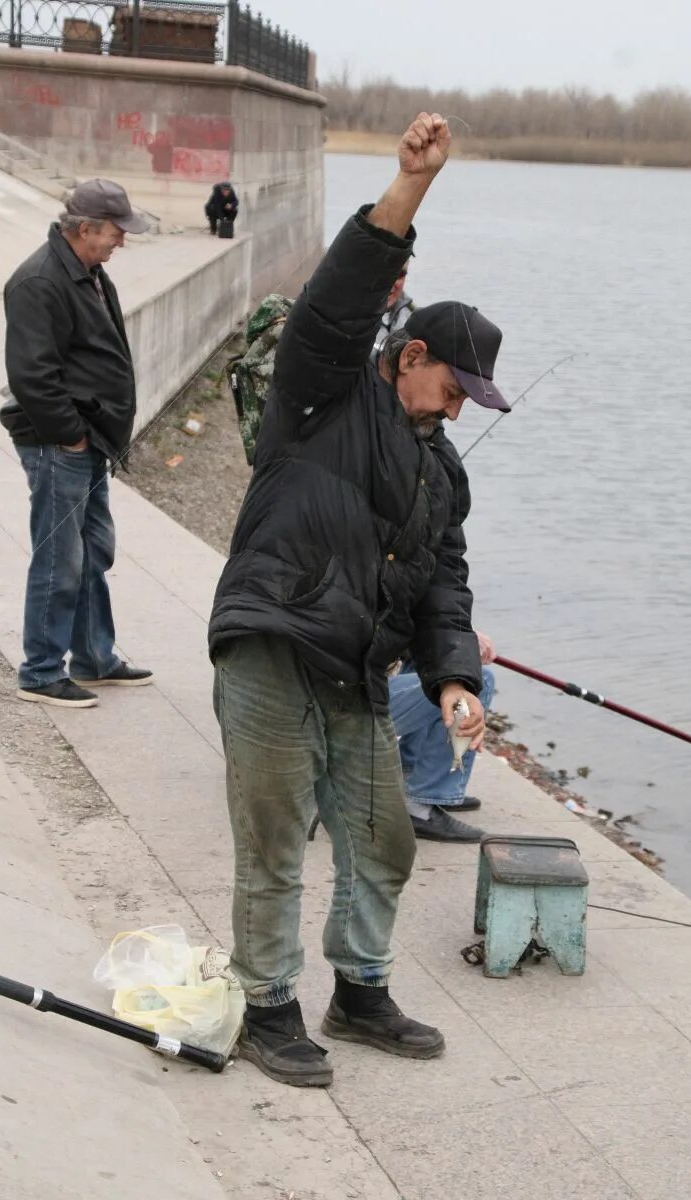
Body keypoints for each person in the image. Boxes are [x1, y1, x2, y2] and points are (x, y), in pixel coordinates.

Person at [209, 112, 510, 1089]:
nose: (459, 404)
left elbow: (443, 587)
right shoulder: (321, 391)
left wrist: (456, 679)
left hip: (354, 672)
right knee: (272, 837)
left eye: (473, 396)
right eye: (452, 384)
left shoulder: (441, 475)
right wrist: (409, 187)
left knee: (381, 835)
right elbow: (338, 297)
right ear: (408, 354)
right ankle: (265, 1007)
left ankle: (360, 989)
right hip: (271, 641)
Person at [0, 178, 154, 709]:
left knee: (93, 552)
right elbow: (32, 377)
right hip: (58, 443)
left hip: (88, 442)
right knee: (59, 558)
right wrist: (69, 436)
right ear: (84, 228)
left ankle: (93, 656)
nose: (122, 241)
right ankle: (41, 671)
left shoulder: (88, 272)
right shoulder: (39, 282)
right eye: (116, 231)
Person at [391, 631, 497, 842]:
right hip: (340, 701)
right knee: (477, 680)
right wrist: (455, 639)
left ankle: (411, 775)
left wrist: (454, 638)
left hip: (348, 688)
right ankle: (419, 807)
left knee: (432, 661)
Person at [373, 256, 416, 353]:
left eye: (400, 274)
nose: (390, 282)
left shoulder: (416, 318)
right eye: (380, 273)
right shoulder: (338, 323)